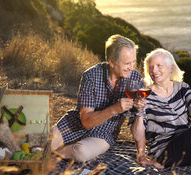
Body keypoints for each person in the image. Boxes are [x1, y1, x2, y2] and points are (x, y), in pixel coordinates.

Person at [51, 34, 145, 162]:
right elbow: (86, 122)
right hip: (75, 124)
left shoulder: (135, 79)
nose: (132, 67)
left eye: (133, 62)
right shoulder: (91, 75)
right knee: (40, 144)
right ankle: (50, 152)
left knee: (80, 153)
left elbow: (136, 129)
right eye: (127, 63)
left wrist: (140, 112)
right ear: (112, 62)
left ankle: (53, 154)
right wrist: (114, 109)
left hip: (104, 134)